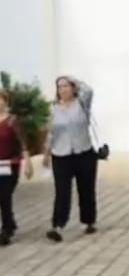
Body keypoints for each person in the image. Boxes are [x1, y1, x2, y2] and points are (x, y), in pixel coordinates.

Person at [43, 75, 98, 242]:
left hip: (84, 152)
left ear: (73, 88)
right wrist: (46, 153)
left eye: (66, 86)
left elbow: (89, 90)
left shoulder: (82, 103)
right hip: (61, 155)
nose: (63, 89)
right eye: (60, 87)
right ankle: (57, 226)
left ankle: (87, 221)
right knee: (62, 192)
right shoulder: (54, 109)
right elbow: (51, 133)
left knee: (86, 189)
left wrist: (71, 78)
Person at [0, 89, 33, 246]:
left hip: (10, 165)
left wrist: (28, 163)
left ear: (5, 101)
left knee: (4, 196)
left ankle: (6, 229)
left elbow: (22, 143)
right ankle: (10, 222)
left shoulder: (13, 121)